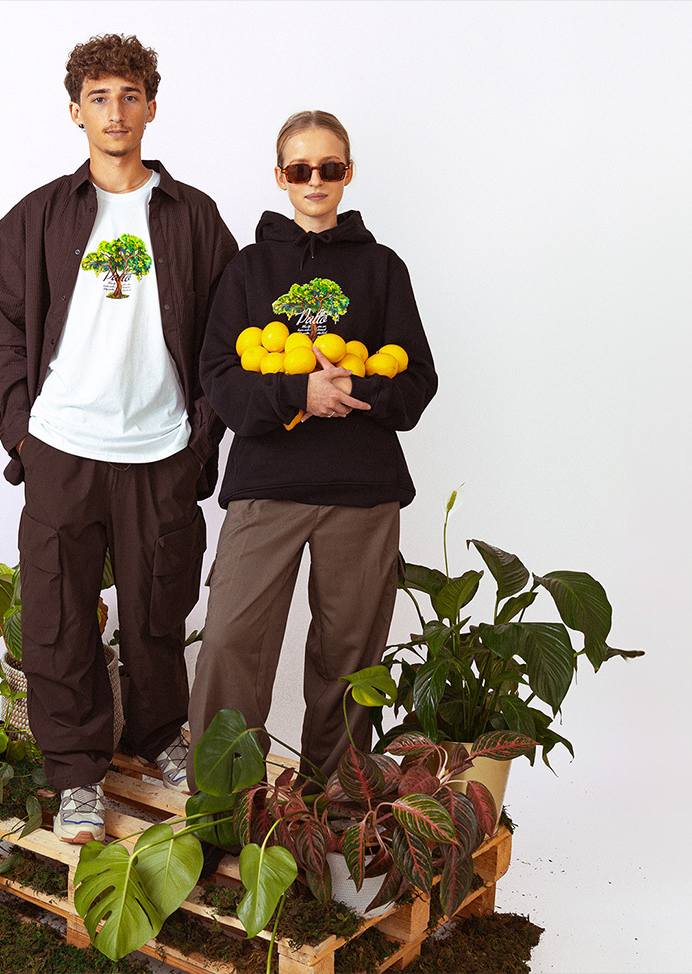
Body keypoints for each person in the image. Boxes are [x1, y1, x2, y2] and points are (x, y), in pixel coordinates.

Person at [0, 33, 238, 843]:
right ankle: (77, 777)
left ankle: (160, 737)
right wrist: (22, 436)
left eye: (130, 96)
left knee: (159, 611)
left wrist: (200, 441)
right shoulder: (33, 218)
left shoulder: (195, 218)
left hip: (160, 450)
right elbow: (7, 338)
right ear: (75, 112)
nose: (116, 112)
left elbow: (228, 337)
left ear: (151, 107)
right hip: (62, 447)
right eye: (99, 98)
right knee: (59, 619)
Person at [187, 111, 437, 790]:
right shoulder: (248, 269)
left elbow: (418, 382)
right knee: (231, 642)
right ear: (280, 177)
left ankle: (333, 807)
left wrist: (353, 389)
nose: (315, 180)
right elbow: (219, 379)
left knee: (347, 660)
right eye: (300, 169)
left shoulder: (383, 269)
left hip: (363, 490)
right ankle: (221, 805)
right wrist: (298, 392)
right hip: (266, 484)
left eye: (330, 168)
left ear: (348, 173)